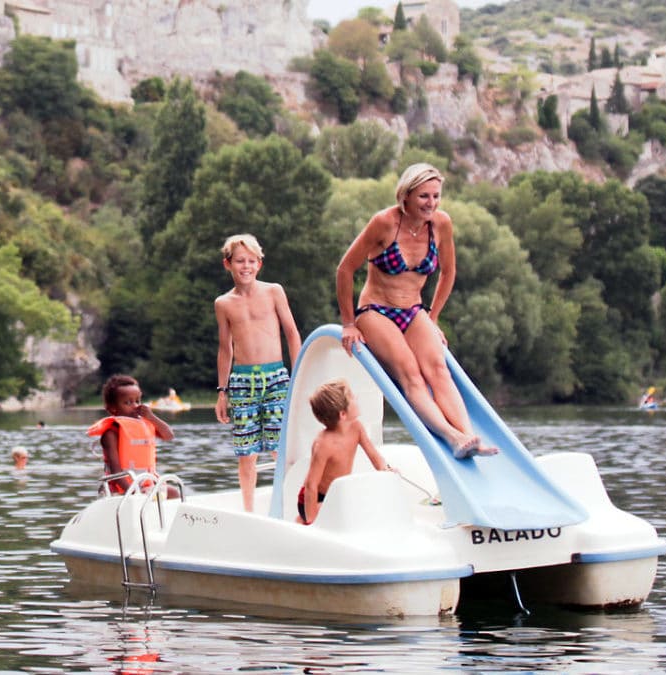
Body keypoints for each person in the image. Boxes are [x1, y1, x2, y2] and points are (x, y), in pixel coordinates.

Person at [334, 163, 498, 459]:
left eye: (436, 196)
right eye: (424, 196)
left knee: (439, 369)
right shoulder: (384, 222)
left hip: (413, 310)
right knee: (411, 373)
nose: (431, 203)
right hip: (376, 311)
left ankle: (470, 437)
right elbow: (345, 270)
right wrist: (348, 323)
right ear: (406, 195)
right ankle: (452, 437)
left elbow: (448, 273)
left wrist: (432, 317)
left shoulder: (441, 224)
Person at [213, 234, 304, 514]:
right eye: (240, 261)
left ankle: (289, 506)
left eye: (252, 261)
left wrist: (298, 372)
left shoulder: (273, 291)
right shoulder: (223, 303)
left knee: (280, 447)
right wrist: (222, 391)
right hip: (241, 381)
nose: (246, 266)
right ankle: (249, 511)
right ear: (228, 264)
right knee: (246, 452)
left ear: (259, 264)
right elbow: (225, 349)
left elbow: (291, 332)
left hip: (276, 376)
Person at [298, 380, 391, 526]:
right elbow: (311, 485)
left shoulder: (357, 428)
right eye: (352, 397)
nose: (357, 398)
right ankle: (302, 521)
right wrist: (311, 520)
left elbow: (374, 455)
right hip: (315, 498)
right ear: (342, 414)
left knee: (359, 508)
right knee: (336, 515)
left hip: (338, 493)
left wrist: (386, 469)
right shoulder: (323, 444)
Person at [88, 374, 178, 496]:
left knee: (174, 494)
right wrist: (135, 493)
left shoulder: (146, 424)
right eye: (128, 402)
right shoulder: (111, 433)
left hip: (146, 486)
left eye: (137, 401)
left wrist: (152, 417)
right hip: (120, 490)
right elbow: (116, 473)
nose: (135, 406)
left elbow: (169, 435)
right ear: (112, 408)